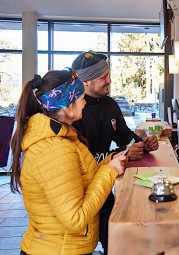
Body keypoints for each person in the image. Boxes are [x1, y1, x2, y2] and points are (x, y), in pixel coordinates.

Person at [9, 68, 128, 255]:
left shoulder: (64, 137)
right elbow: (75, 217)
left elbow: (81, 177)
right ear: (66, 105)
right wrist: (109, 171)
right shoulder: (54, 148)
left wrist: (109, 161)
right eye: (80, 97)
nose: (84, 102)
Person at [71, 50, 159, 254]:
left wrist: (144, 144)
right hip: (80, 192)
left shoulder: (110, 105)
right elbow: (77, 161)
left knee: (116, 238)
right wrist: (122, 154)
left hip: (102, 184)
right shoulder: (73, 111)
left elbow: (125, 137)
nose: (109, 80)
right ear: (85, 81)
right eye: (103, 77)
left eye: (108, 75)